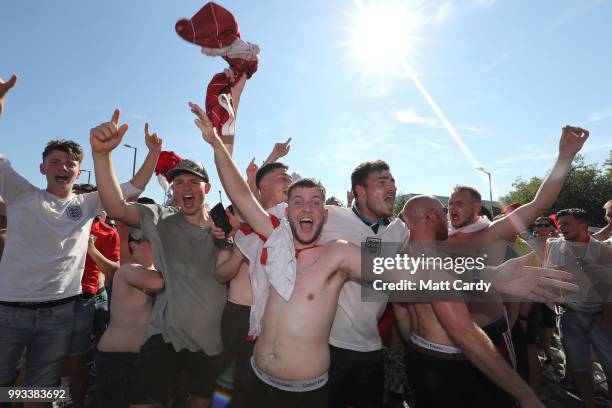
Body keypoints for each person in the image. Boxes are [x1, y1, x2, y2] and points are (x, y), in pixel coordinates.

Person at [190, 101, 574, 407]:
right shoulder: (290, 235)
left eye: (394, 181)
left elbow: (409, 273)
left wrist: (487, 277)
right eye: (382, 181)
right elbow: (241, 195)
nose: (392, 186)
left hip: (363, 353)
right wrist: (217, 144)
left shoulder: (372, 241)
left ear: (323, 211)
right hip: (301, 360)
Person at [0, 78, 158, 398]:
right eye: (56, 162)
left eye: (71, 163)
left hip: (60, 314)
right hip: (9, 311)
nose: (64, 167)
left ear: (78, 171)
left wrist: (154, 153)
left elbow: (133, 188)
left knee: (41, 390)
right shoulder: (20, 194)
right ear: (42, 167)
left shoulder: (87, 204)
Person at [90, 111, 232, 408]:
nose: (185, 188)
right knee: (144, 401)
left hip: (209, 341)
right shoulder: (160, 218)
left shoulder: (224, 225)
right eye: (178, 182)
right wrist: (101, 156)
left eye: (194, 181)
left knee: (200, 402)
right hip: (163, 337)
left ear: (206, 188)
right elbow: (116, 206)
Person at [444, 125, 589, 375]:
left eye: (459, 202)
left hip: (490, 334)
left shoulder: (494, 233)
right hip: (450, 337)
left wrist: (565, 157)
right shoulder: (442, 240)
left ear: (477, 209)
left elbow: (539, 204)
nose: (451, 207)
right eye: (449, 203)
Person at [396, 195, 544, 408]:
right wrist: (526, 395)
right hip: (448, 365)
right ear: (431, 216)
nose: (447, 219)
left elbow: (402, 316)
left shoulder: (398, 257)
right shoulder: (438, 262)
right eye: (443, 212)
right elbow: (465, 333)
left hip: (420, 355)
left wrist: (414, 349)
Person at [547, 208, 612, 408]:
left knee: (609, 365)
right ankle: (589, 404)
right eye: (560, 224)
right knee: (579, 366)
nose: (561, 228)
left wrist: (607, 318)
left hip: (600, 316)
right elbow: (549, 276)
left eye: (566, 223)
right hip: (570, 316)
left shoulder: (601, 249)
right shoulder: (555, 246)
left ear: (582, 226)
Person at [95, 228, 164, 408]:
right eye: (149, 239)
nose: (156, 243)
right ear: (134, 244)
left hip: (143, 359)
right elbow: (156, 283)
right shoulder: (129, 270)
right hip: (117, 361)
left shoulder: (154, 270)